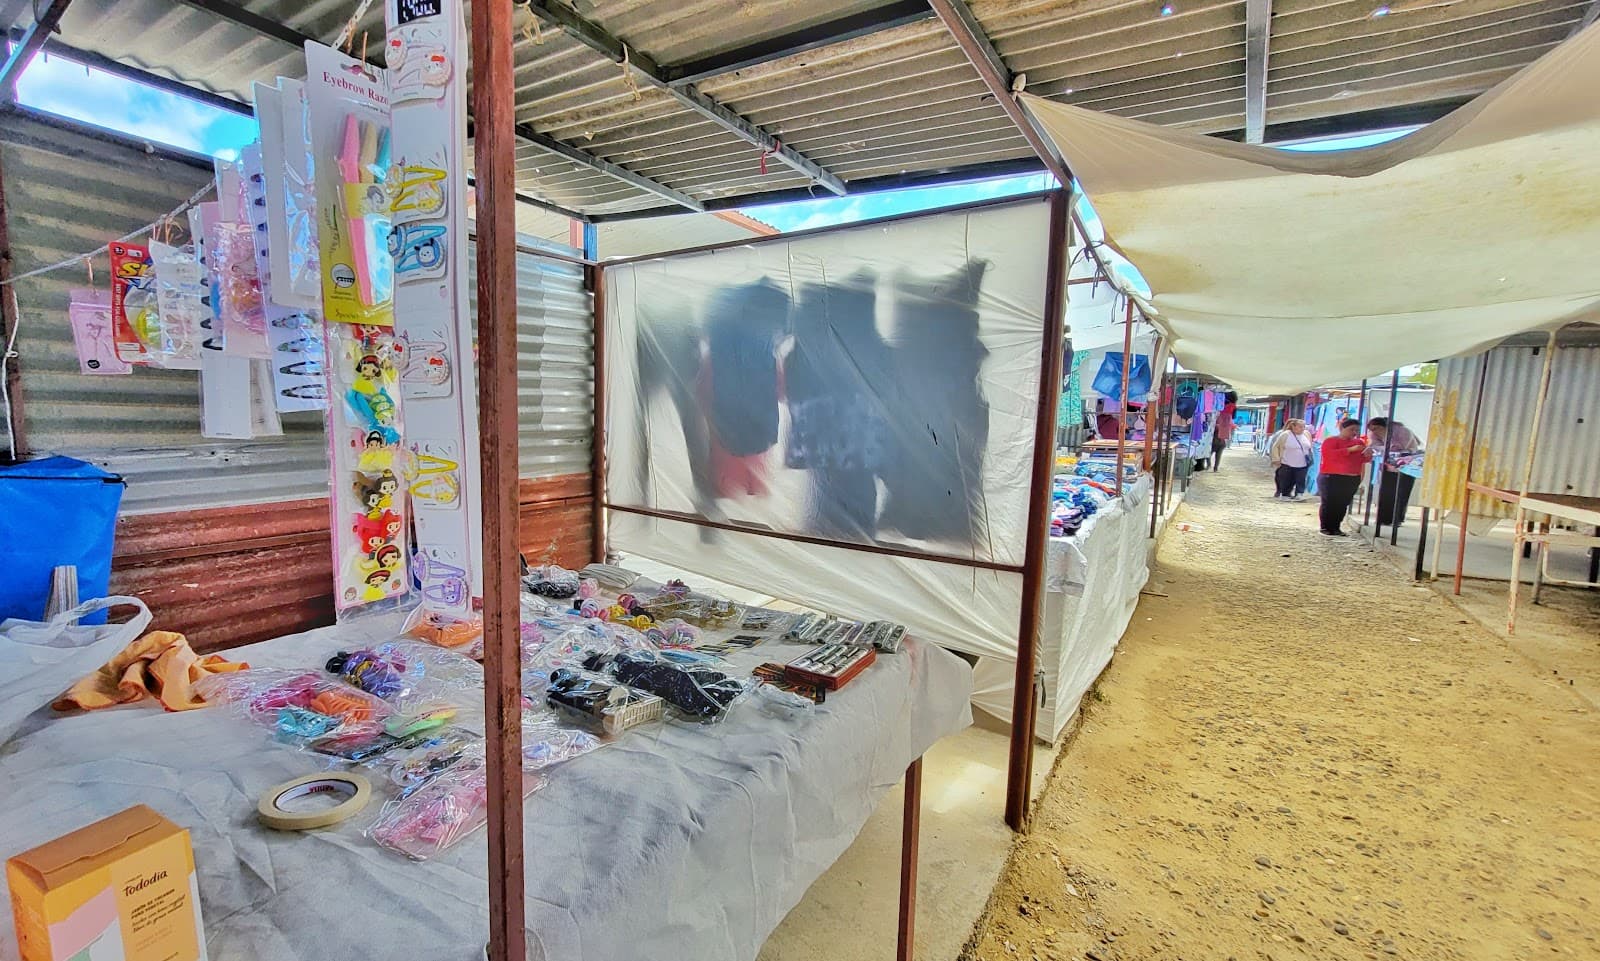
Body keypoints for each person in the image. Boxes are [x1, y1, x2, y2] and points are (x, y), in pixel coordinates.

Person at [1318, 418, 1372, 536]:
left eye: (1356, 430)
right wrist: (1349, 450)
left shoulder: (1359, 443)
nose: (1354, 432)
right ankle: (1325, 527)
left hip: (1351, 477)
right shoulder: (1330, 441)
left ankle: (1336, 527)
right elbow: (1329, 455)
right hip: (1331, 476)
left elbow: (1363, 460)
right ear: (1342, 428)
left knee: (1342, 503)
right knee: (1329, 502)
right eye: (1351, 429)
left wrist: (1368, 455)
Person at [1366, 417, 1420, 528]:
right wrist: (1382, 447)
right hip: (1388, 464)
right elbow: (1374, 445)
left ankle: (1397, 518)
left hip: (1406, 462)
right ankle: (1383, 518)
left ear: (1384, 426)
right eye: (1372, 430)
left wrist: (1383, 447)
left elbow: (1400, 447)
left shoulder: (1402, 431)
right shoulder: (1374, 434)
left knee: (1402, 492)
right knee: (1386, 491)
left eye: (1376, 428)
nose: (1374, 432)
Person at [1270, 418, 1314, 499]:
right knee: (1287, 479)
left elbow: (1310, 446)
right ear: (1293, 427)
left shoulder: (1306, 434)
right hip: (1287, 462)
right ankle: (1285, 494)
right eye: (1300, 426)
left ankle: (1299, 494)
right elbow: (1276, 446)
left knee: (1301, 479)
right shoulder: (1285, 434)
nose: (1302, 428)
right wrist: (1276, 459)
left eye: (1303, 426)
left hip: (1303, 462)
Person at [1210, 390, 1238, 470]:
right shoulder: (1233, 407)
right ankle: (1215, 467)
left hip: (1215, 437)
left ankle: (1210, 465)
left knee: (1210, 453)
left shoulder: (1220, 405)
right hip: (1222, 438)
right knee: (1218, 455)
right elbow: (1233, 418)